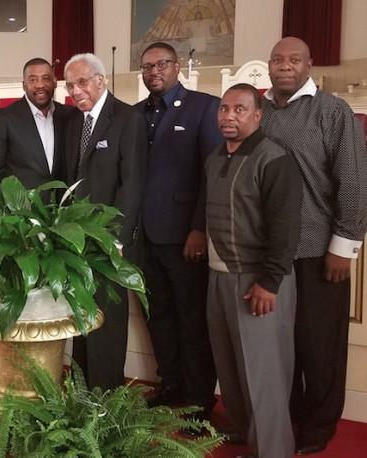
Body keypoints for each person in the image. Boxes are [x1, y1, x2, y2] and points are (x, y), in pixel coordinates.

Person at [260, 36, 367, 456]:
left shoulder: (332, 111)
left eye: (294, 59)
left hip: (318, 247)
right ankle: (287, 413)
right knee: (279, 343)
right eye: (277, 59)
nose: (285, 66)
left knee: (318, 343)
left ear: (308, 65)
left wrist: (344, 246)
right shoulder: (259, 109)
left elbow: (354, 183)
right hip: (269, 251)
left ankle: (320, 424)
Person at [206, 83, 303, 458]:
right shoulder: (215, 157)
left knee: (263, 374)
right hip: (219, 275)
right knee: (230, 367)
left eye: (240, 110)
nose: (229, 116)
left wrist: (269, 281)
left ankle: (273, 450)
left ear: (257, 115)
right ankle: (247, 431)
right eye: (224, 109)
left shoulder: (273, 157)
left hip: (257, 281)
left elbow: (285, 227)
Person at [133, 42, 221, 419]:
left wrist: (199, 228)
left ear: (177, 66)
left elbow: (212, 173)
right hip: (144, 237)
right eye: (147, 66)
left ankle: (200, 399)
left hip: (186, 236)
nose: (154, 71)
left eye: (161, 64)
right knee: (159, 315)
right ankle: (170, 383)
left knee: (192, 319)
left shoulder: (205, 107)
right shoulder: (134, 114)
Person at [63, 53, 147, 391]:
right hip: (76, 239)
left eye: (82, 82)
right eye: (70, 85)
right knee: (81, 317)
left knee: (107, 322)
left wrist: (118, 240)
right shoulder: (73, 122)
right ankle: (82, 392)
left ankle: (106, 397)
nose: (75, 90)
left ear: (101, 80)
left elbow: (133, 183)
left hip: (110, 243)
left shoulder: (128, 118)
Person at [0, 57, 73, 188]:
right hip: (22, 206)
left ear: (55, 82)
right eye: (33, 80)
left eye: (46, 78)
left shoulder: (69, 115)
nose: (40, 85)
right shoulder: (5, 118)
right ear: (24, 85)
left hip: (64, 205)